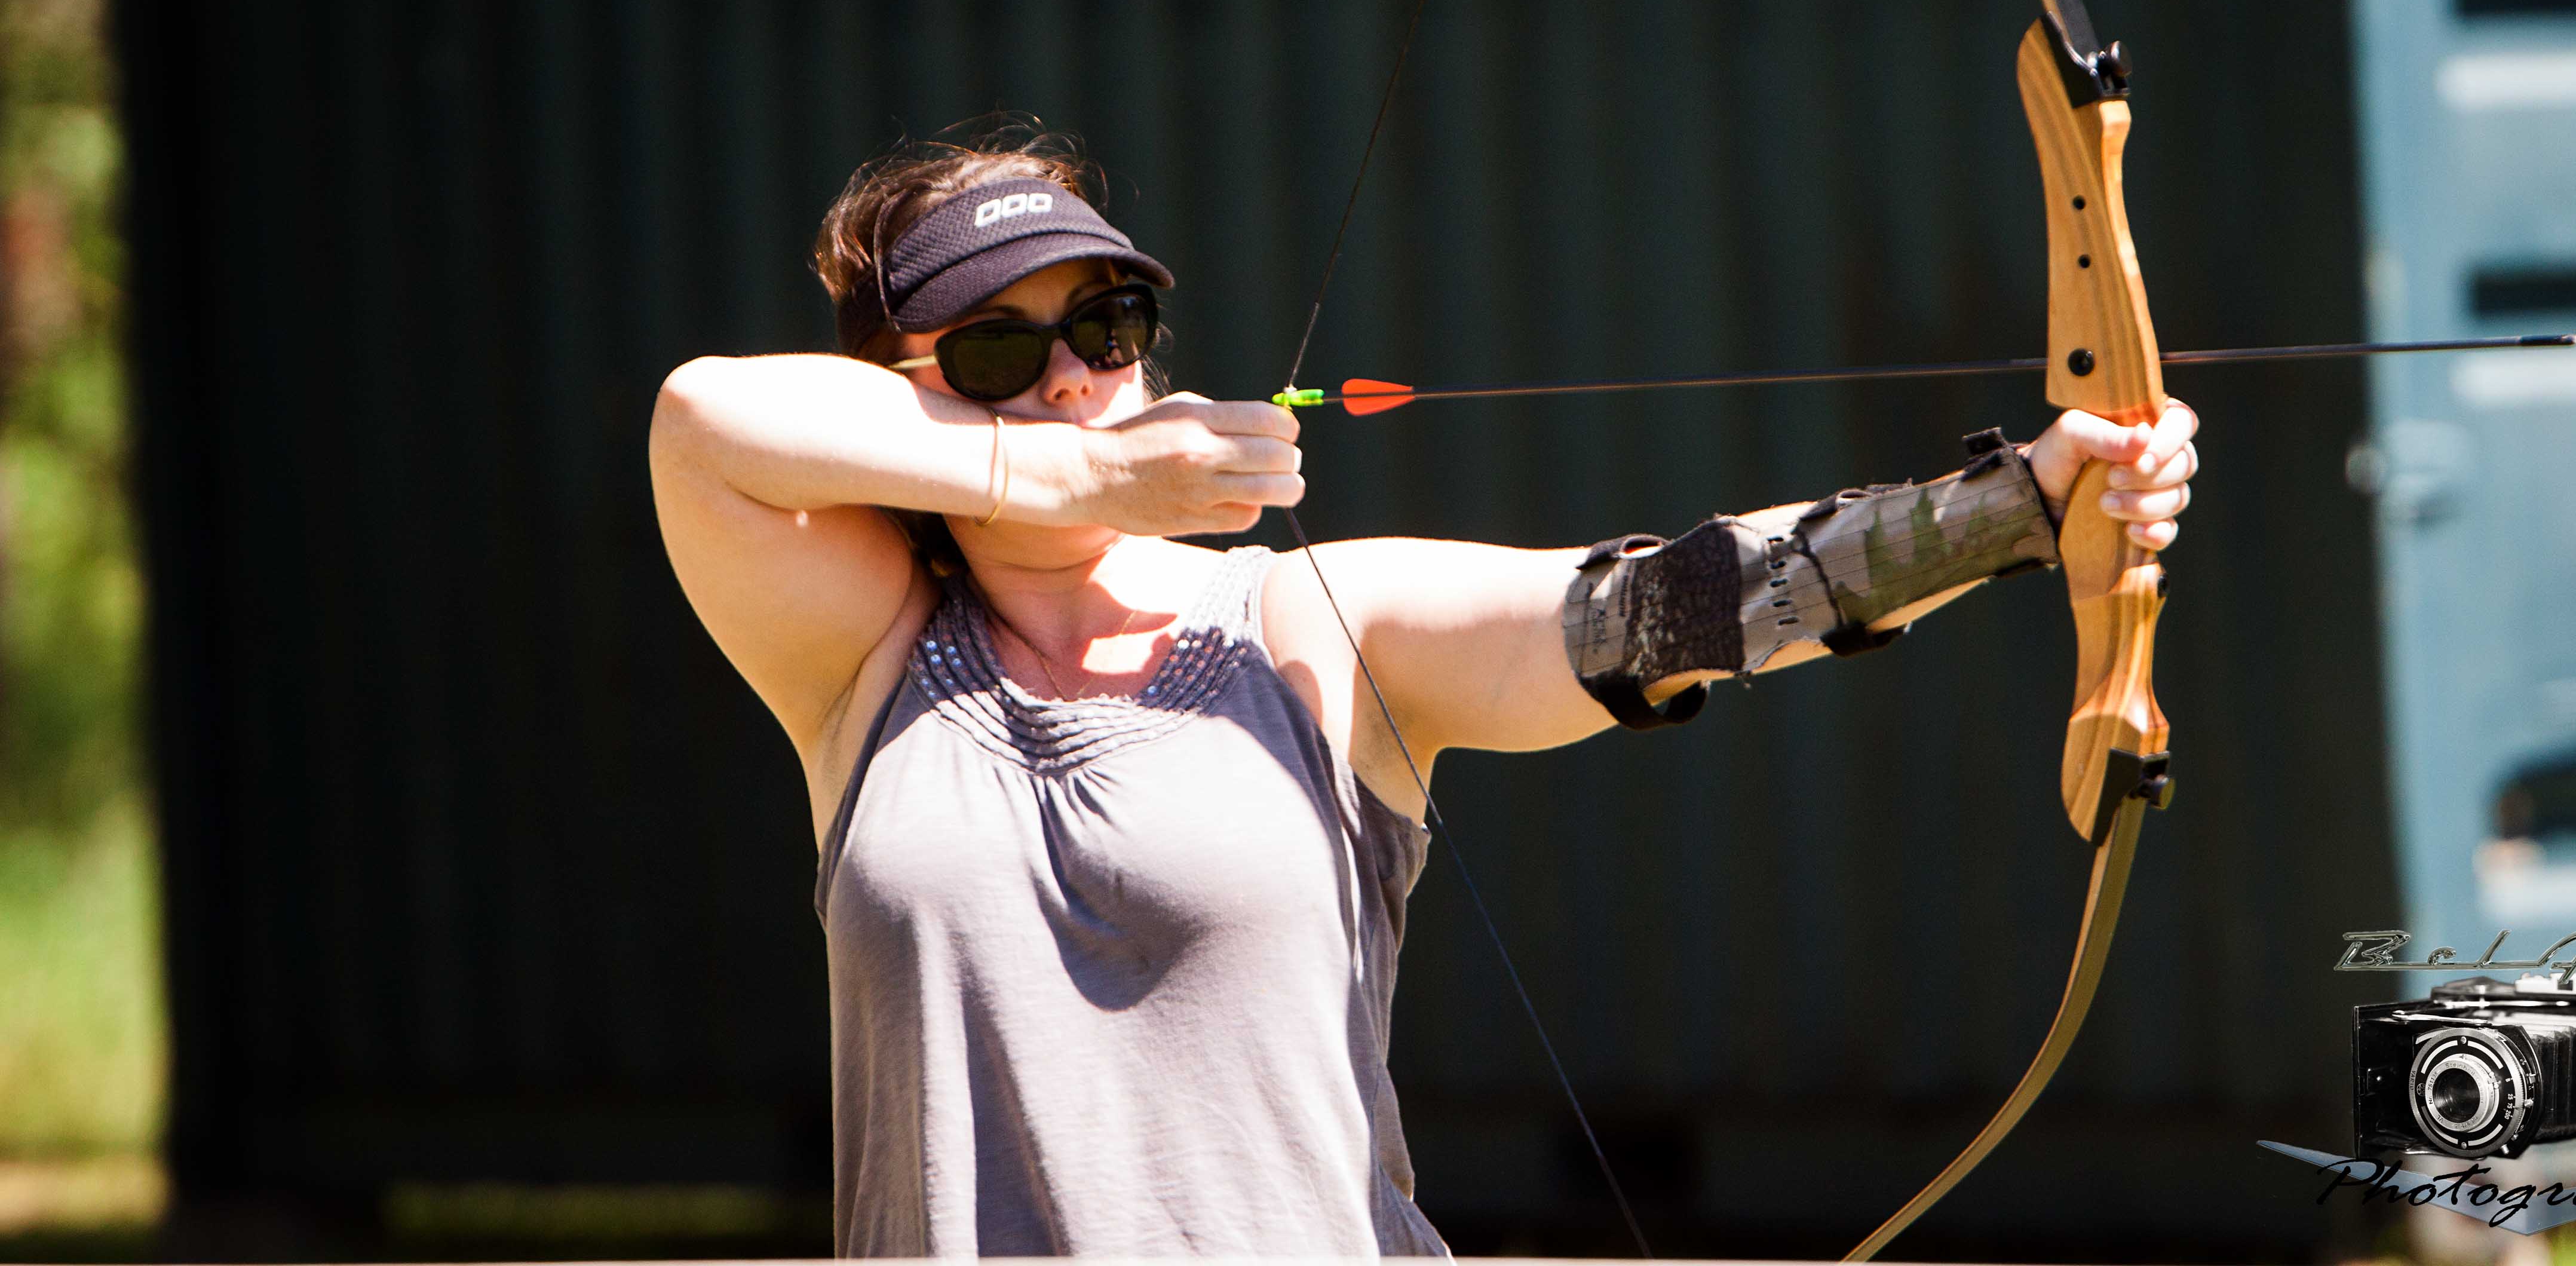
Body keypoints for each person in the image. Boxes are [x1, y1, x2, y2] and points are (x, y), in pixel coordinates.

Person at [648, 133, 2200, 1259]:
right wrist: (1072, 473)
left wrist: (2019, 507)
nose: (1072, 376)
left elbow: (1651, 612)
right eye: (995, 347)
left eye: (1107, 329)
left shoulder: (1316, 621)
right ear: (894, 394)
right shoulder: (863, 660)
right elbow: (702, 417)